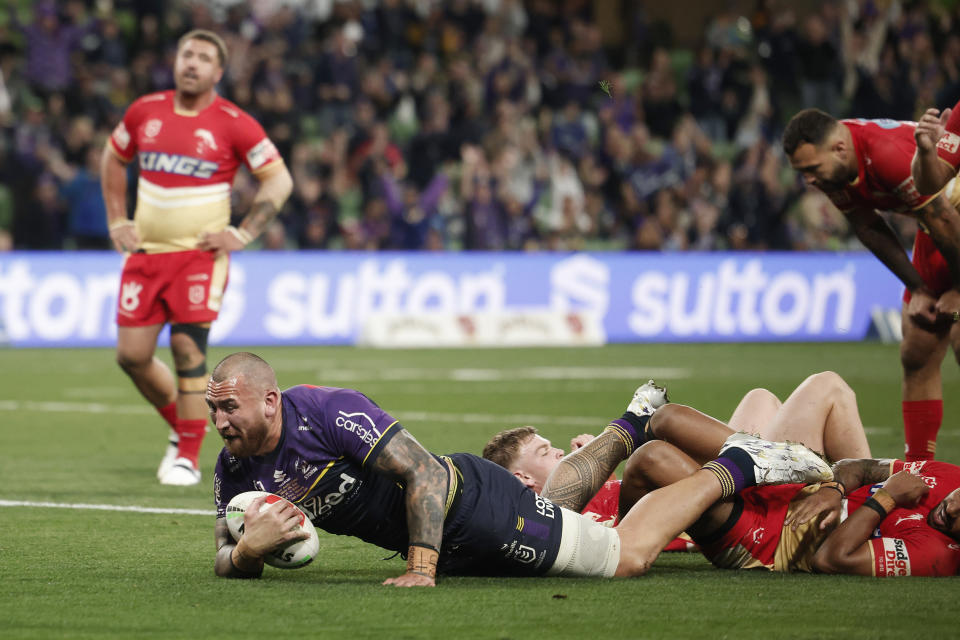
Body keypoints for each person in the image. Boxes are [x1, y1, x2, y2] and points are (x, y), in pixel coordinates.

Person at [208, 352, 833, 586]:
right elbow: (222, 549)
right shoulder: (232, 471)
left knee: (625, 556)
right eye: (212, 411)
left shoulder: (324, 410)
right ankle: (633, 424)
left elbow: (423, 473)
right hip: (455, 543)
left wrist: (421, 570)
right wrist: (246, 555)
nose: (219, 423)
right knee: (564, 513)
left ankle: (743, 464)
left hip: (468, 505)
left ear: (268, 400)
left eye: (228, 407)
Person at [101, 30, 293, 485]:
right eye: (187, 53)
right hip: (146, 255)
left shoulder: (233, 121)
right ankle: (182, 427)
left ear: (217, 72)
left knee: (187, 349)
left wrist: (243, 232)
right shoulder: (144, 111)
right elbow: (113, 158)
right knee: (131, 356)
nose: (192, 63)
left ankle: (187, 456)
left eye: (204, 58)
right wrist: (116, 219)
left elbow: (278, 180)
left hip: (198, 258)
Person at [782, 108, 960, 462]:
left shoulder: (888, 156)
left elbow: (945, 218)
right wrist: (920, 288)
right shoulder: (835, 170)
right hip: (937, 222)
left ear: (838, 149)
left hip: (950, 216)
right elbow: (866, 226)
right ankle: (918, 470)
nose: (810, 182)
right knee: (918, 346)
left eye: (812, 170)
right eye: (802, 173)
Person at [483, 373, 871, 527]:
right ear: (523, 479)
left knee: (761, 398)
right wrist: (607, 453)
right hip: (726, 505)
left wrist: (602, 464)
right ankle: (873, 493)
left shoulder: (590, 492)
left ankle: (773, 459)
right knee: (828, 389)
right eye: (545, 452)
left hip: (710, 483)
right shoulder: (556, 515)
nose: (559, 455)